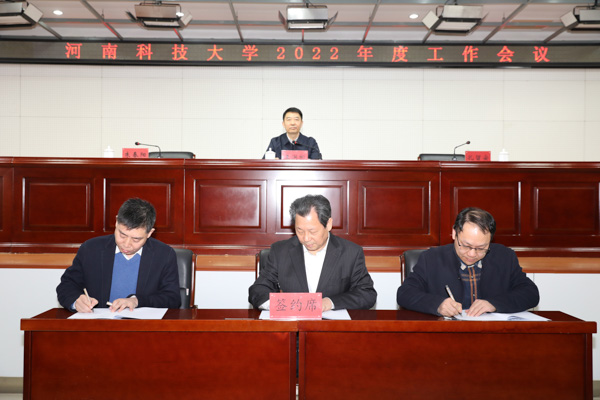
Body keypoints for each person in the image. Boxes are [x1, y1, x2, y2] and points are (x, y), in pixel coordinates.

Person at [397, 207, 539, 317]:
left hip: (492, 336)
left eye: (481, 248)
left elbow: (530, 293)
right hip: (447, 336)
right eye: (465, 245)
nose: (472, 254)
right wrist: (438, 304)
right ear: (454, 233)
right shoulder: (432, 258)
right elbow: (405, 293)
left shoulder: (504, 257)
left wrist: (494, 304)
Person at [249, 194, 376, 311]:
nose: (306, 238)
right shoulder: (280, 251)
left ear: (328, 224)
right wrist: (281, 305)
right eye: (300, 231)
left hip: (331, 326)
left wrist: (329, 303)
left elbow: (367, 294)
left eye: (312, 231)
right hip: (293, 325)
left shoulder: (351, 253)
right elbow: (257, 290)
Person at [57, 198, 181, 313]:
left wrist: (136, 301)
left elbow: (172, 298)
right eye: (122, 235)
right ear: (116, 222)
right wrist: (76, 301)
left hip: (142, 326)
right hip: (99, 324)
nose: (126, 244)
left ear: (150, 233)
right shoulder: (91, 249)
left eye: (136, 239)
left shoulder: (164, 255)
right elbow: (66, 286)